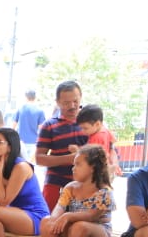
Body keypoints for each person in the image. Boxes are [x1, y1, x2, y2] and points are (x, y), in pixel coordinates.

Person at [40, 144, 115, 237]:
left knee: (79, 227)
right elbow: (59, 208)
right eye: (74, 165)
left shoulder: (104, 191)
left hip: (98, 232)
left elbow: (92, 216)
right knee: (46, 222)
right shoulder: (71, 187)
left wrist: (68, 216)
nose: (73, 168)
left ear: (92, 167)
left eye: (78, 164)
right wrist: (54, 220)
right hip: (74, 232)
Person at [35, 80, 87, 210]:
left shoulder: (92, 123)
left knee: (83, 219)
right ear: (57, 102)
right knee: (50, 217)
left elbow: (104, 151)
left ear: (81, 97)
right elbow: (39, 158)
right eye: (66, 103)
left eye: (75, 101)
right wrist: (69, 159)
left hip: (86, 183)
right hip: (55, 183)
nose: (72, 106)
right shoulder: (49, 125)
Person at [76, 104, 122, 177]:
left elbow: (88, 154)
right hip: (108, 168)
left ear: (97, 124)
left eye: (85, 128)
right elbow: (112, 143)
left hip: (100, 171)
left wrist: (77, 150)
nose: (82, 131)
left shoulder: (96, 137)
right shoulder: (105, 130)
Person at [13, 89, 46, 161]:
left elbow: (13, 126)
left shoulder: (20, 109)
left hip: (20, 140)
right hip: (33, 141)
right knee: (31, 163)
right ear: (35, 97)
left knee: (21, 162)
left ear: (26, 97)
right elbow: (41, 129)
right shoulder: (40, 110)